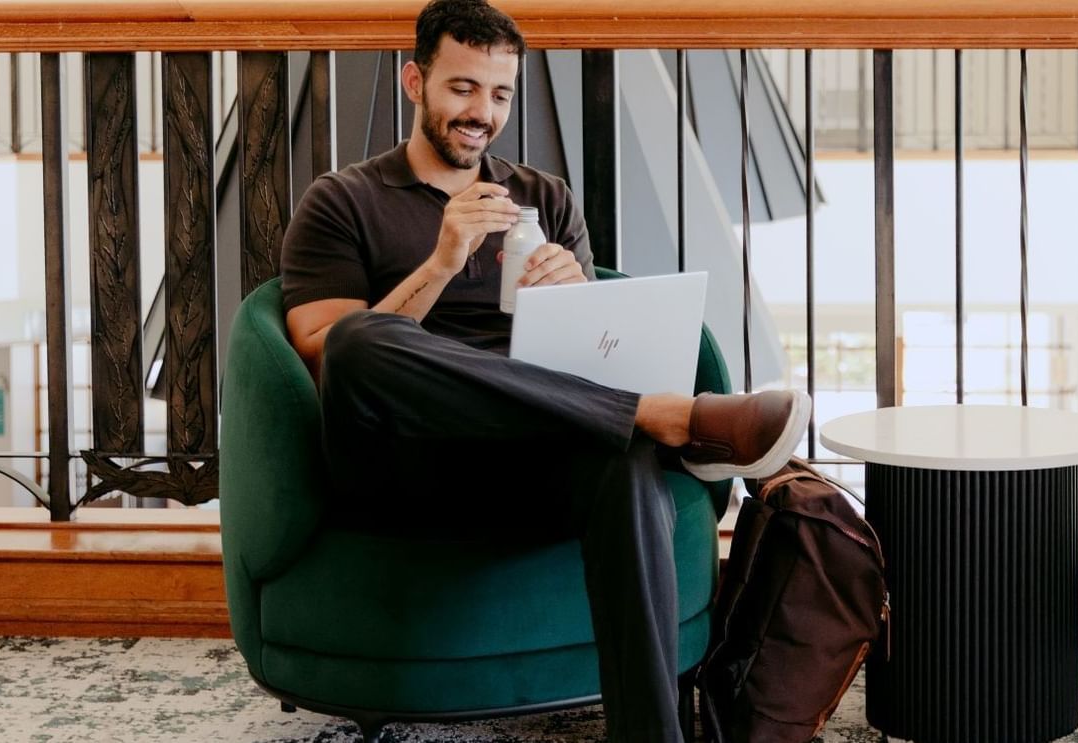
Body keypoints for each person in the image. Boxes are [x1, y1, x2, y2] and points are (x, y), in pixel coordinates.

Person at [277, 1, 807, 740]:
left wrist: (577, 300)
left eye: (499, 94)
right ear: (414, 81)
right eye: (462, 88)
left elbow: (597, 350)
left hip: (531, 451)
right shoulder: (343, 200)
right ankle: (670, 415)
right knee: (363, 341)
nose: (481, 113)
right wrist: (443, 260)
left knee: (622, 470)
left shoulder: (545, 197)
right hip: (405, 458)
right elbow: (326, 356)